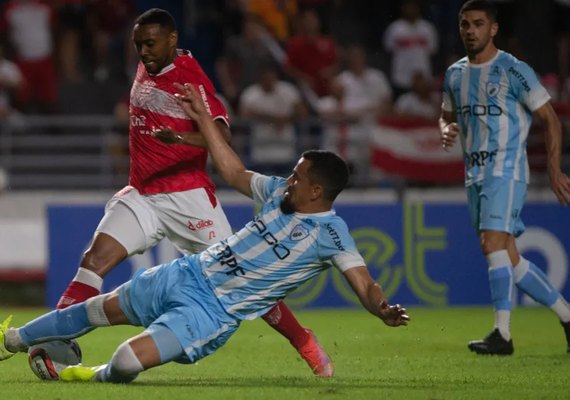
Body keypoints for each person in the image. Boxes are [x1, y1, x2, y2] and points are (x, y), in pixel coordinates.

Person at [0, 83, 410, 383]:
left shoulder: (332, 234)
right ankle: (13, 339)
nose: (288, 179)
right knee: (91, 312)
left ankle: (89, 376)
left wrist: (381, 308)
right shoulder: (276, 193)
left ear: (317, 191)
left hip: (212, 312)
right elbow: (232, 171)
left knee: (126, 361)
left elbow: (365, 283)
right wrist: (199, 121)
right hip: (186, 273)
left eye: (297, 177)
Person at [54, 8, 334, 377]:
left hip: (188, 199)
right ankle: (53, 342)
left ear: (172, 41)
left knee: (245, 280)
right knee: (93, 261)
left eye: (151, 44)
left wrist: (181, 137)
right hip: (142, 194)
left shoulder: (189, 77)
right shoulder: (148, 64)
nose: (143, 52)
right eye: (138, 45)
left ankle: (303, 341)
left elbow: (224, 136)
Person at [439, 0, 570, 355]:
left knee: (491, 244)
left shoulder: (514, 70)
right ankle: (567, 316)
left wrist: (555, 169)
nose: (470, 30)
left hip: (507, 170)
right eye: (465, 24)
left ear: (492, 28)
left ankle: (503, 334)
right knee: (510, 260)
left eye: (478, 24)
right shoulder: (454, 74)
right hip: (475, 175)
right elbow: (446, 114)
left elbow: (551, 119)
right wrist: (447, 128)